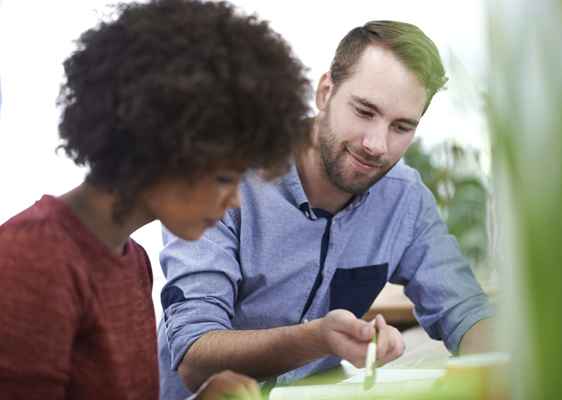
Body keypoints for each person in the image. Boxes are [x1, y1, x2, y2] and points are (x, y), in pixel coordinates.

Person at [157, 20, 495, 399]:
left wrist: (499, 365)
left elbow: (466, 310)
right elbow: (194, 356)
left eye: (401, 126)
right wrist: (317, 339)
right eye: (365, 111)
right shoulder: (225, 177)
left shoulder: (405, 199)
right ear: (324, 92)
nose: (377, 145)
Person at [0, 0, 311, 399]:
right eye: (223, 178)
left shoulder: (133, 262)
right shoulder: (32, 261)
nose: (234, 202)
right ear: (161, 147)